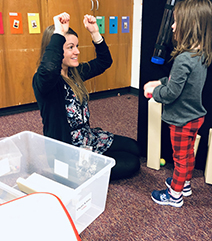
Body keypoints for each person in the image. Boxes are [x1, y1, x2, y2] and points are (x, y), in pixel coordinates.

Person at [33, 12, 140, 180]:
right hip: (68, 152)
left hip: (88, 137)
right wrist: (59, 33)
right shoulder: (45, 82)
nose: (77, 51)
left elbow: (104, 62)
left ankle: (97, 159)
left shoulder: (74, 72)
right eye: (70, 47)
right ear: (55, 49)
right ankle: (83, 172)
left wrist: (94, 32)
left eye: (77, 46)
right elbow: (49, 68)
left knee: (134, 148)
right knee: (131, 163)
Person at [144, 0, 212, 207]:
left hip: (181, 119)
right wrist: (160, 81)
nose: (172, 26)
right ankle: (185, 184)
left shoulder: (183, 58)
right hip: (195, 117)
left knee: (180, 158)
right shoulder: (200, 53)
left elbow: (172, 93)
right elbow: (183, 83)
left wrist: (154, 92)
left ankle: (174, 195)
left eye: (176, 22)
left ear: (190, 25)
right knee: (188, 154)